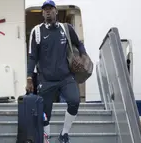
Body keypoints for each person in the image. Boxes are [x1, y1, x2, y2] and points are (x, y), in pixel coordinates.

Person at [25, 0, 87, 143]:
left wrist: (83, 56)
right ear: (42, 13)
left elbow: (79, 44)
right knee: (45, 114)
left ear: (56, 11)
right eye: (45, 9)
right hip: (46, 80)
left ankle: (64, 133)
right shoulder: (37, 31)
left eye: (50, 9)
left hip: (65, 77)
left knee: (74, 101)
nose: (48, 11)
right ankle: (46, 138)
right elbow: (32, 57)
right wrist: (29, 77)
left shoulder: (66, 29)